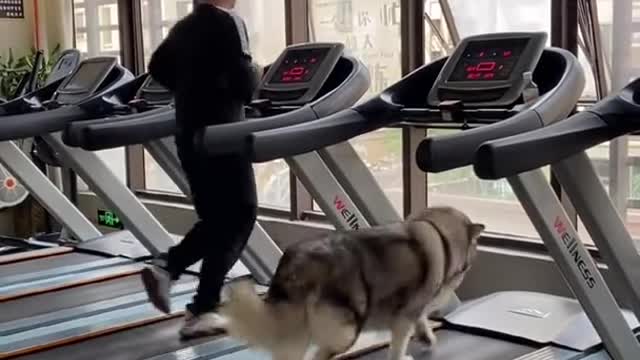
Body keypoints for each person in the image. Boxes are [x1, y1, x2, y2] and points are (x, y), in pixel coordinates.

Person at [140, 0, 259, 339]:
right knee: (241, 214)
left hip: (189, 134)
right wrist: (249, 79)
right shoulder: (228, 23)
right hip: (223, 135)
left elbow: (157, 66)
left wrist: (195, 87)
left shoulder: (185, 26)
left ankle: (169, 268)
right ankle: (204, 307)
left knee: (216, 220)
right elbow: (245, 83)